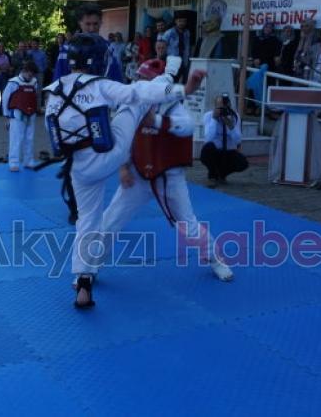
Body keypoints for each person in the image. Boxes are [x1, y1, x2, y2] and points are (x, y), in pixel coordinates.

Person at [44, 33, 206, 308]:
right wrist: (183, 90)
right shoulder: (100, 85)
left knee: (87, 221)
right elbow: (136, 92)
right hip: (109, 155)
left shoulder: (53, 89)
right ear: (98, 60)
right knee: (134, 101)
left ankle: (83, 280)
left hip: (78, 167)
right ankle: (169, 75)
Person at [100, 59, 234, 283]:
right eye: (139, 79)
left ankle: (215, 259)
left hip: (169, 175)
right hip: (138, 174)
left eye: (144, 79)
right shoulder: (131, 103)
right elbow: (120, 138)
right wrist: (123, 168)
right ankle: (89, 268)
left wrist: (159, 121)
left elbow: (189, 126)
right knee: (110, 220)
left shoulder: (173, 105)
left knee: (188, 225)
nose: (140, 83)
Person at [200, 94, 249, 186]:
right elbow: (208, 138)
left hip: (227, 152)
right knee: (208, 148)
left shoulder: (235, 116)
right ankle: (212, 174)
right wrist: (214, 119)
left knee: (243, 162)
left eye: (225, 107)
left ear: (229, 106)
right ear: (215, 106)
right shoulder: (208, 116)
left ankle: (222, 175)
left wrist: (230, 126)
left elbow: (238, 140)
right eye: (220, 107)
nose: (222, 110)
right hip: (214, 151)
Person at [3, 61, 39, 172]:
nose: (31, 76)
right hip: (17, 114)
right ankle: (13, 163)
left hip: (31, 114)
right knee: (16, 139)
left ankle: (28, 161)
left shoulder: (34, 82)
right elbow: (5, 99)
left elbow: (35, 96)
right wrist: (6, 115)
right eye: (30, 74)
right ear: (24, 71)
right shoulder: (13, 82)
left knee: (29, 138)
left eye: (33, 74)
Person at [162, 10, 192, 82]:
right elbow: (162, 46)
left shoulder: (187, 32)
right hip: (172, 62)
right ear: (176, 21)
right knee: (171, 81)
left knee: (185, 81)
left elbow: (188, 46)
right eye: (180, 21)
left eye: (184, 21)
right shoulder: (169, 32)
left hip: (184, 61)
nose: (182, 23)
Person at [28, 39, 48, 110]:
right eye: (33, 44)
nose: (34, 45)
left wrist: (41, 70)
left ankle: (38, 108)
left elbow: (46, 65)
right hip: (30, 75)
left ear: (38, 44)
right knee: (29, 91)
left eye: (36, 44)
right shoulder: (28, 53)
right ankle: (29, 108)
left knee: (38, 92)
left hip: (39, 74)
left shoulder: (42, 53)